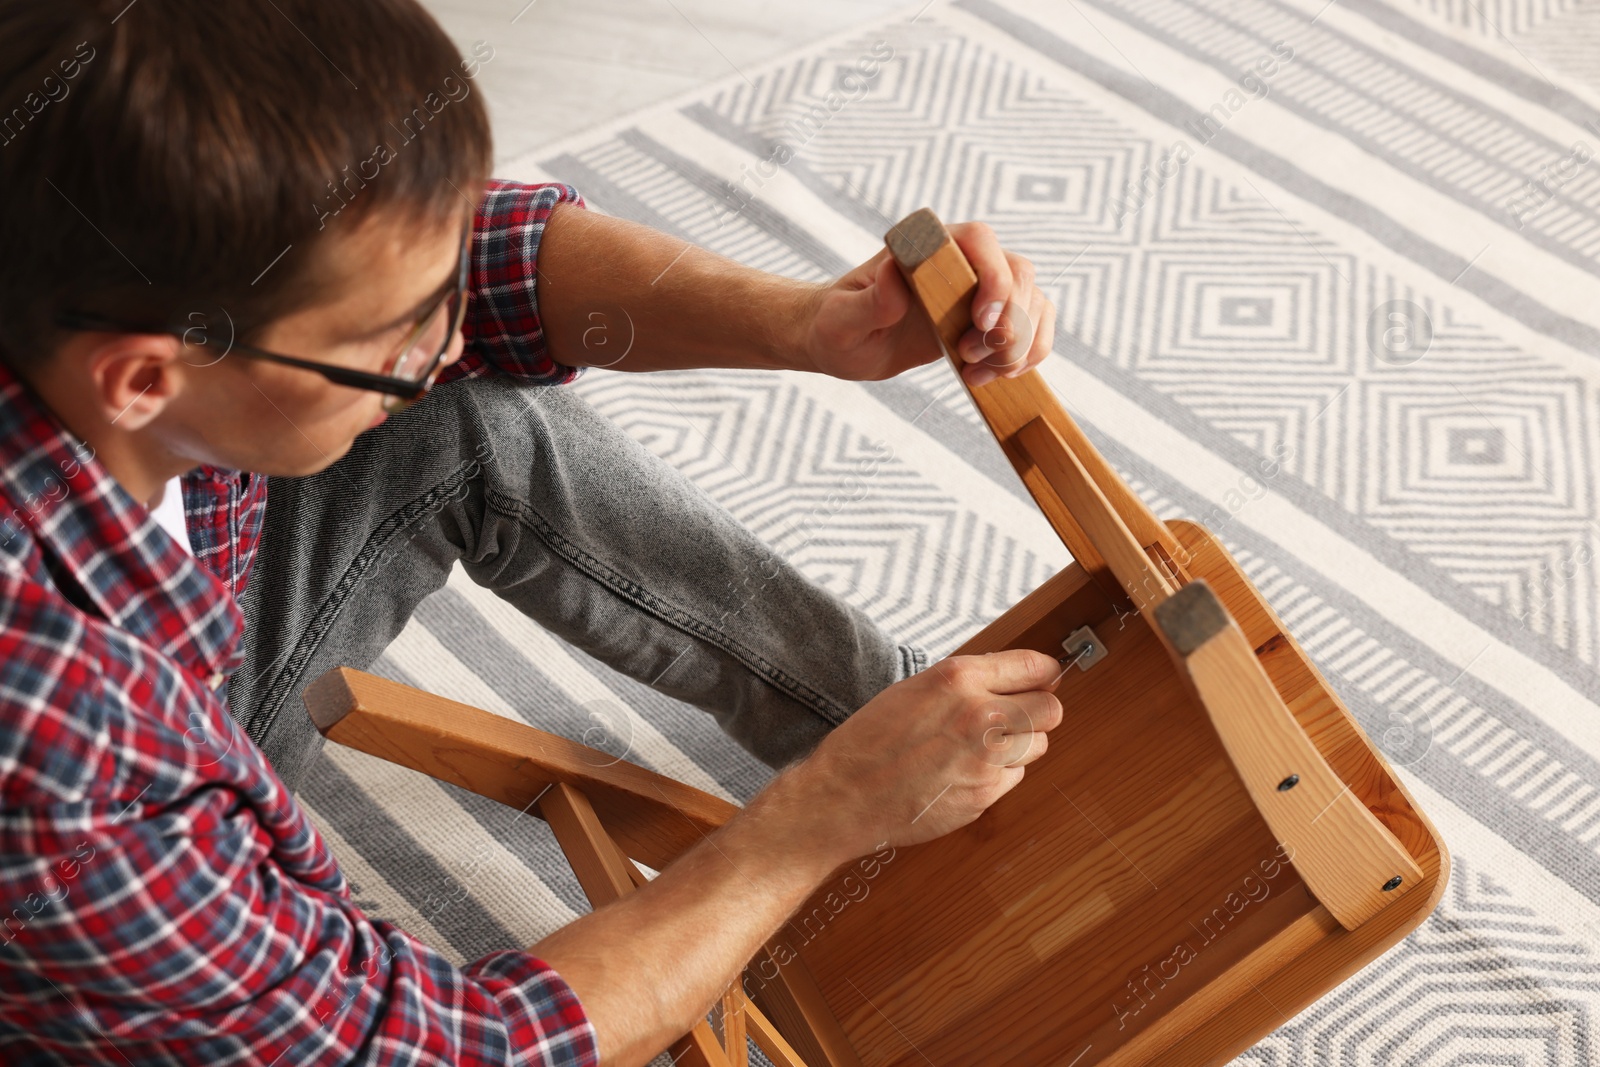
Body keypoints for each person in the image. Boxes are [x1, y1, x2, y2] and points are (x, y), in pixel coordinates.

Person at [0, 1, 1064, 1064]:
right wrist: (814, 821)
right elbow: (455, 1049)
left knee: (464, 420)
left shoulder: (76, 225)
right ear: (142, 378)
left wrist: (814, 326)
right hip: (89, 911)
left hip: (163, 672)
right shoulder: (68, 754)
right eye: (393, 337)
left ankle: (898, 723)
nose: (451, 336)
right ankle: (877, 766)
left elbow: (479, 253)